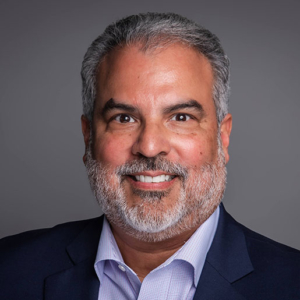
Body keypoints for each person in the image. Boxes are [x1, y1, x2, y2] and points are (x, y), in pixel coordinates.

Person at [0, 12, 299, 300]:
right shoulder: (9, 270)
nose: (150, 146)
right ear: (88, 136)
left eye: (181, 117)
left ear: (223, 137)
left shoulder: (291, 282)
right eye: (124, 118)